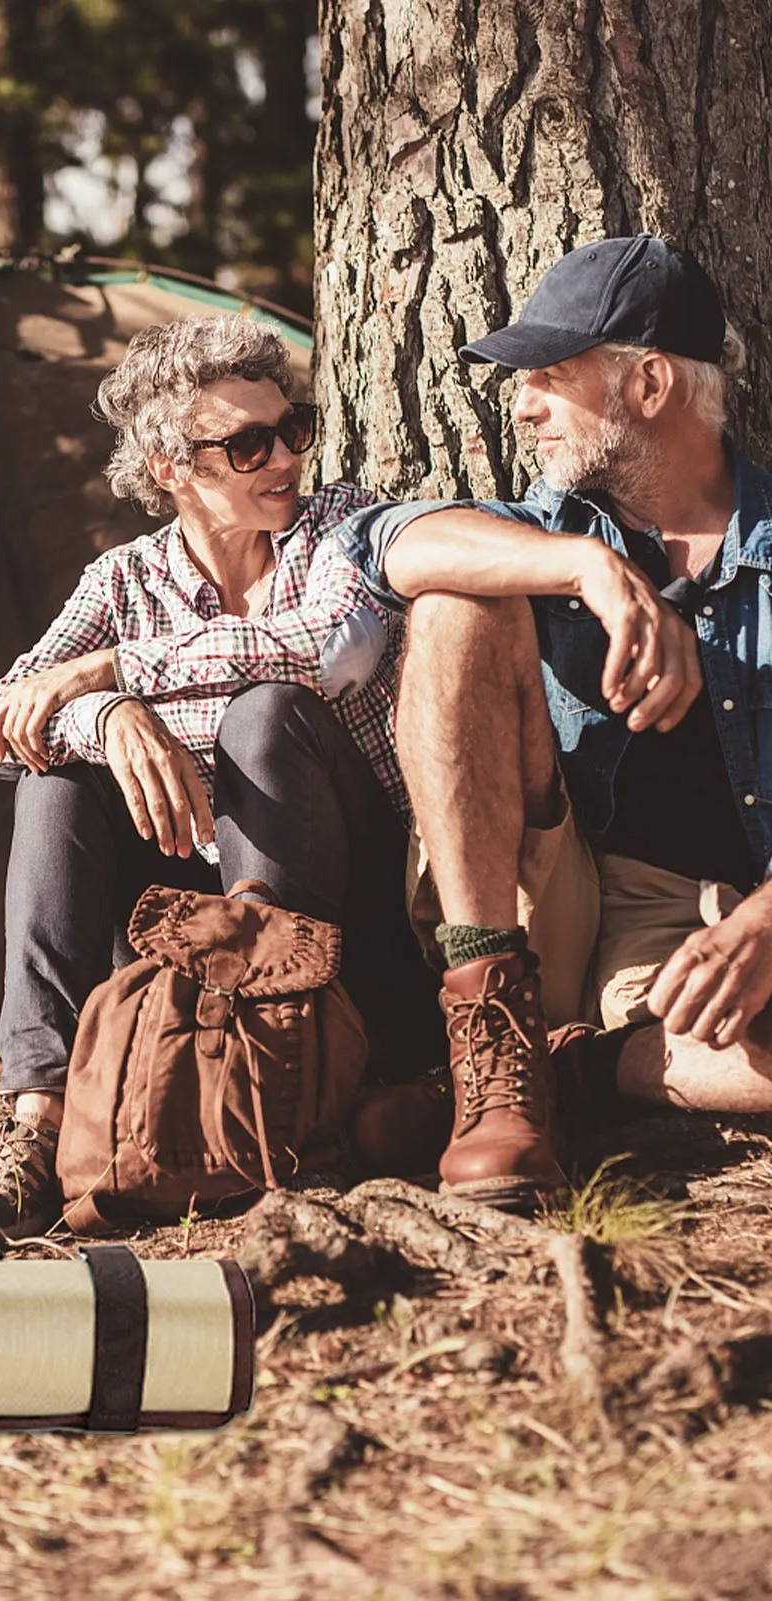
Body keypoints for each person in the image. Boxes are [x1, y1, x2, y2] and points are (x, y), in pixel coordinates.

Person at [0, 313, 439, 1255]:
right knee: (56, 778)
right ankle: (36, 1129)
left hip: (342, 923)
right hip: (186, 922)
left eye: (294, 427)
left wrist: (116, 670)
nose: (283, 456)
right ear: (172, 469)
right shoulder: (123, 578)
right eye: (246, 444)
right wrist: (104, 717)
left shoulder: (339, 527)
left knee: (266, 713)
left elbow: (324, 653)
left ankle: (280, 1090)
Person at [337, 234, 772, 1213]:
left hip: (703, 933)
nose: (521, 404)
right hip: (549, 895)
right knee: (455, 604)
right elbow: (372, 546)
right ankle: (490, 1037)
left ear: (649, 383)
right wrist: (587, 572)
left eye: (547, 376)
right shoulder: (542, 533)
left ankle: (574, 1073)